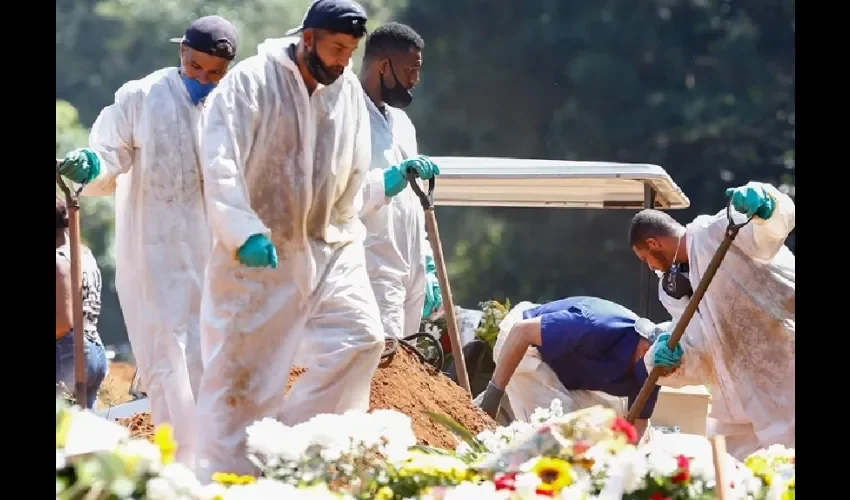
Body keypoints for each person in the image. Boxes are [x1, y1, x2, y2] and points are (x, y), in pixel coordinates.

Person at [194, 0, 440, 480]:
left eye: (350, 52)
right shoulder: (252, 84)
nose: (342, 62)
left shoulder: (344, 90)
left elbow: (347, 177)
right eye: (335, 49)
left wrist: (379, 187)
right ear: (307, 39)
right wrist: (242, 232)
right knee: (247, 378)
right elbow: (219, 163)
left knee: (363, 340)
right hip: (259, 255)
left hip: (330, 247)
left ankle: (296, 455)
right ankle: (222, 479)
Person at [56, 15, 240, 466]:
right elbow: (108, 158)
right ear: (182, 54)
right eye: (196, 67)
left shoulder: (234, 108)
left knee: (210, 363)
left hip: (214, 260)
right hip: (152, 259)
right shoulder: (143, 97)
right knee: (167, 363)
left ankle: (213, 466)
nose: (203, 79)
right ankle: (181, 470)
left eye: (214, 73)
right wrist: (91, 166)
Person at [629, 181, 795, 460]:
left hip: (785, 380)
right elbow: (700, 346)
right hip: (737, 405)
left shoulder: (717, 232)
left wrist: (768, 204)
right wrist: (674, 359)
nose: (650, 266)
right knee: (734, 479)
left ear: (653, 243)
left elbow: (770, 231)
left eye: (646, 257)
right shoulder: (672, 291)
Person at [357, 22, 443, 340]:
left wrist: (427, 261)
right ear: (383, 66)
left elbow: (413, 202)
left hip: (410, 269)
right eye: (410, 70)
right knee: (380, 370)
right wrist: (385, 181)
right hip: (371, 269)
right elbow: (333, 194)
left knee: (403, 370)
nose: (414, 80)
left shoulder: (402, 124)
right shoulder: (345, 117)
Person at [474, 296, 665, 438]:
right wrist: (494, 394)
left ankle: (514, 400)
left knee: (605, 429)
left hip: (565, 369)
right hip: (523, 343)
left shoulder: (656, 367)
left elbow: (638, 424)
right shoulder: (593, 325)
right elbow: (521, 332)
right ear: (644, 345)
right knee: (564, 433)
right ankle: (494, 404)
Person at [56, 195, 108, 410]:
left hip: (68, 352)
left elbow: (63, 322)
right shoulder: (83, 253)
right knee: (82, 433)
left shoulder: (58, 260)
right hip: (94, 347)